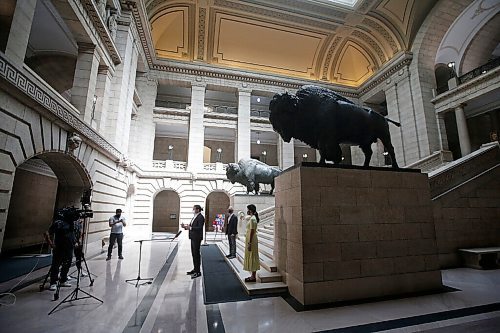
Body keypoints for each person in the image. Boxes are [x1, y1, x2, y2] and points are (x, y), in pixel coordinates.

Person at [44, 208, 77, 291]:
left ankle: (63, 279)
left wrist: (75, 242)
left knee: (67, 264)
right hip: (59, 247)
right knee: (56, 265)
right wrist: (51, 244)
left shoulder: (72, 223)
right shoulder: (58, 223)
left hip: (69, 247)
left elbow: (72, 234)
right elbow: (47, 233)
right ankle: (53, 282)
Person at [182, 205, 205, 279]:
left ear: (198, 210)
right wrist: (186, 227)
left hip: (197, 238)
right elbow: (192, 226)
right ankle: (195, 269)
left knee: (196, 254)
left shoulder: (201, 217)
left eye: (194, 209)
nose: (193, 210)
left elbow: (199, 228)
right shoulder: (195, 216)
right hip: (193, 237)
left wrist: (190, 227)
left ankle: (198, 271)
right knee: (193, 254)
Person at [242, 204, 260, 282]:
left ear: (251, 210)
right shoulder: (253, 218)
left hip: (252, 240)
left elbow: (252, 231)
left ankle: (253, 277)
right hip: (251, 239)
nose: (247, 211)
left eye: (248, 209)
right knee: (252, 255)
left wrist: (249, 243)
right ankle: (253, 275)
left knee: (252, 256)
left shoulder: (252, 219)